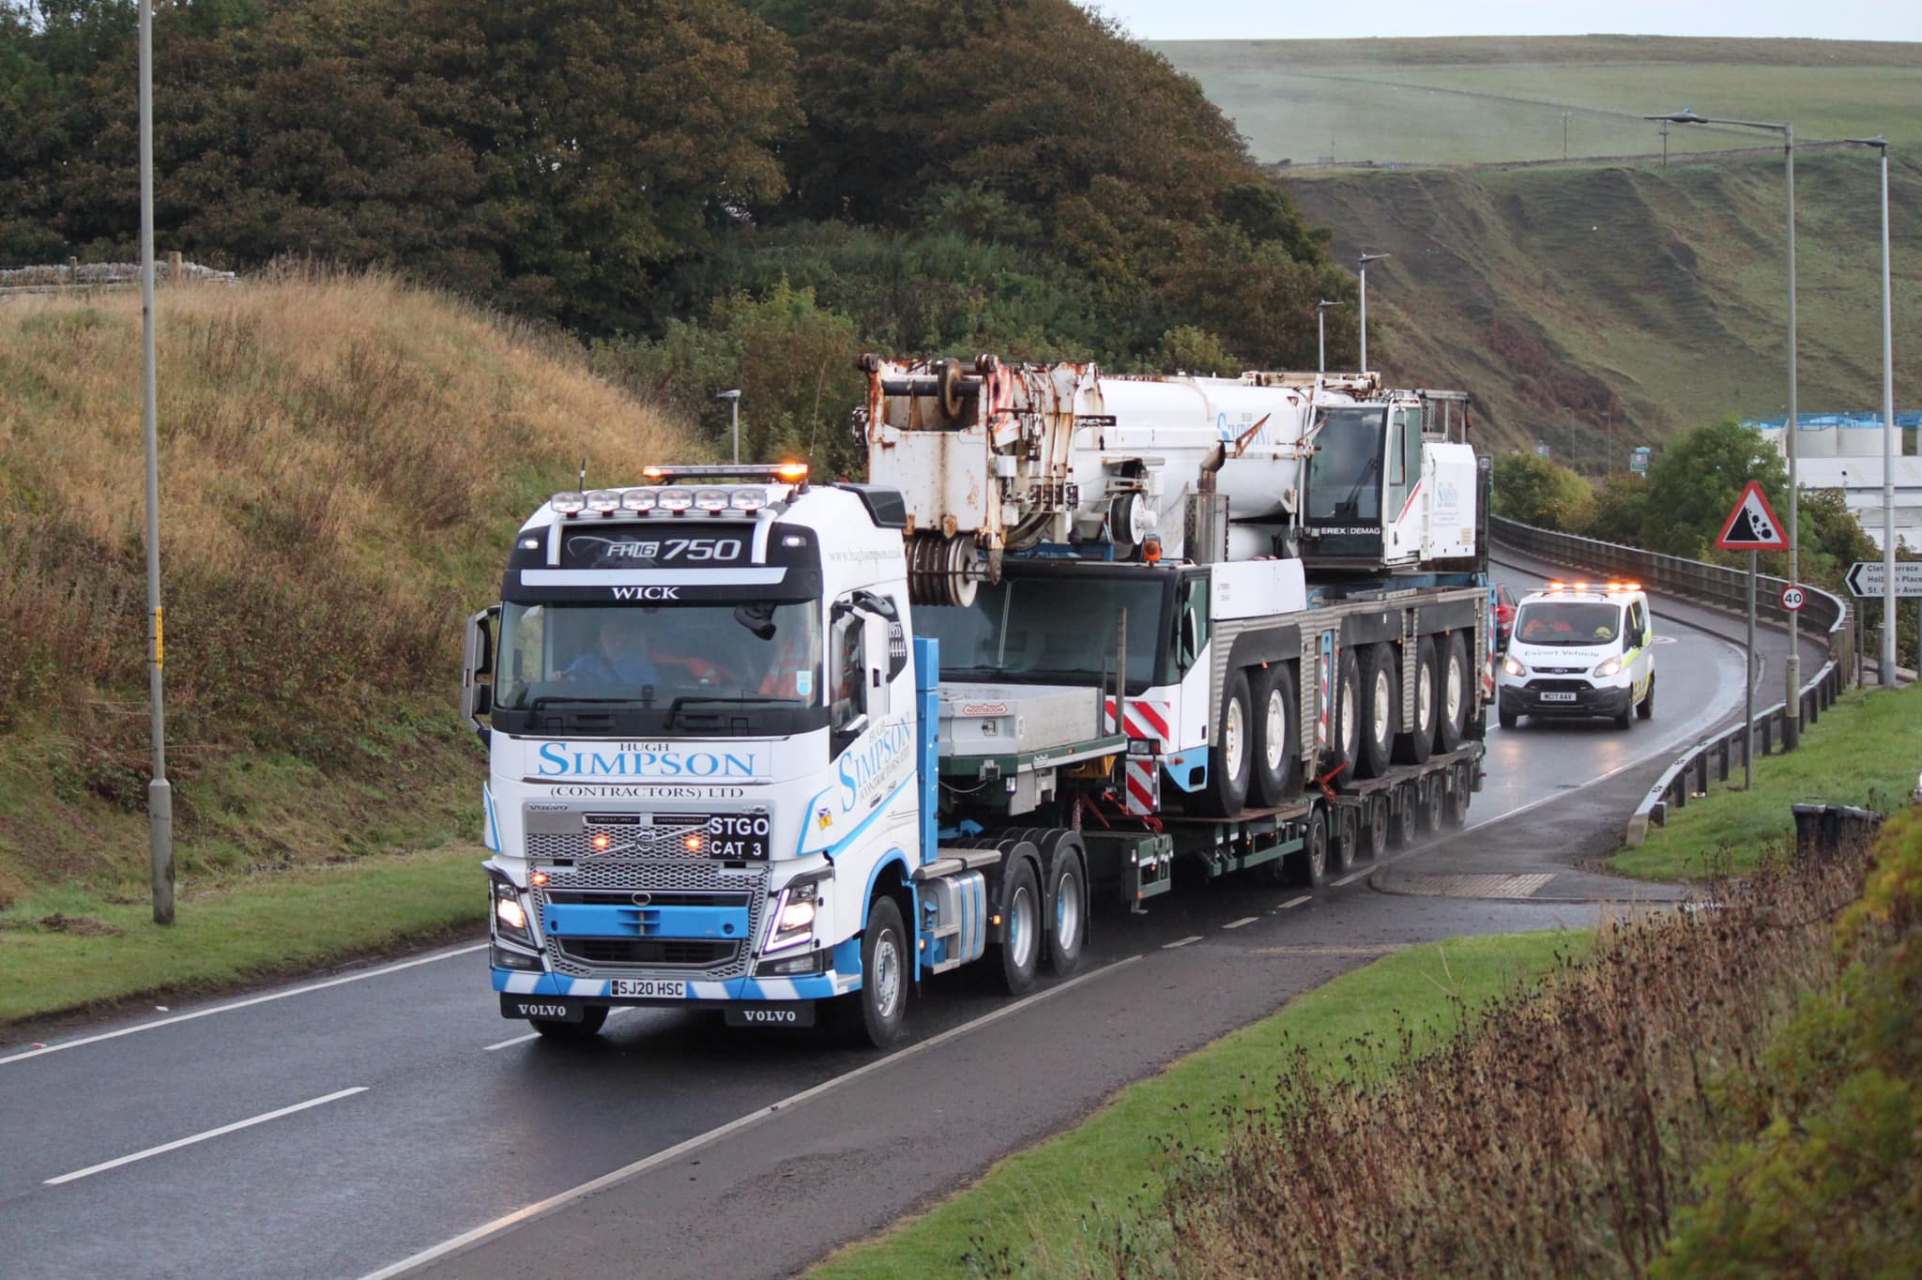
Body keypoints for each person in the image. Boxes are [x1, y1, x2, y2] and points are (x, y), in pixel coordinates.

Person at [564, 616, 661, 686]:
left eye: (617, 632)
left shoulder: (640, 664)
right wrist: (559, 678)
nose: (612, 637)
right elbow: (567, 681)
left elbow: (655, 690)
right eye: (607, 632)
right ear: (600, 637)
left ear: (625, 637)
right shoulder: (585, 662)